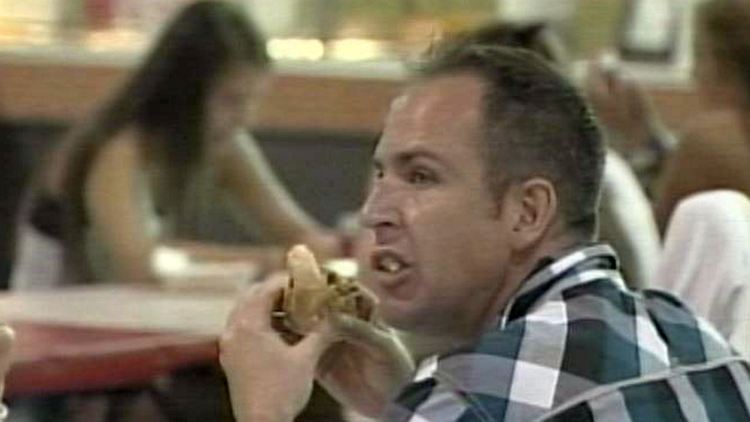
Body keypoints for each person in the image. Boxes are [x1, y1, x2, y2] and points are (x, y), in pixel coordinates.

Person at [220, 43, 750, 421]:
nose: (373, 211)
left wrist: (264, 410)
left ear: (527, 212)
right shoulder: (697, 338)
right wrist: (403, 403)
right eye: (381, 174)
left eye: (421, 176)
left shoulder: (472, 398)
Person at [10, 0, 339, 288]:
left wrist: (336, 247)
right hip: (56, 316)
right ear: (184, 94)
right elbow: (138, 266)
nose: (244, 117)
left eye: (252, 101)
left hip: (129, 316)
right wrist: (269, 261)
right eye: (231, 100)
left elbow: (300, 235)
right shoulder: (119, 149)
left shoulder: (226, 144)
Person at [654, 0, 750, 230]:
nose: (693, 73)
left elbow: (653, 240)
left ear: (723, 66)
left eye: (699, 56)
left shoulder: (710, 141)